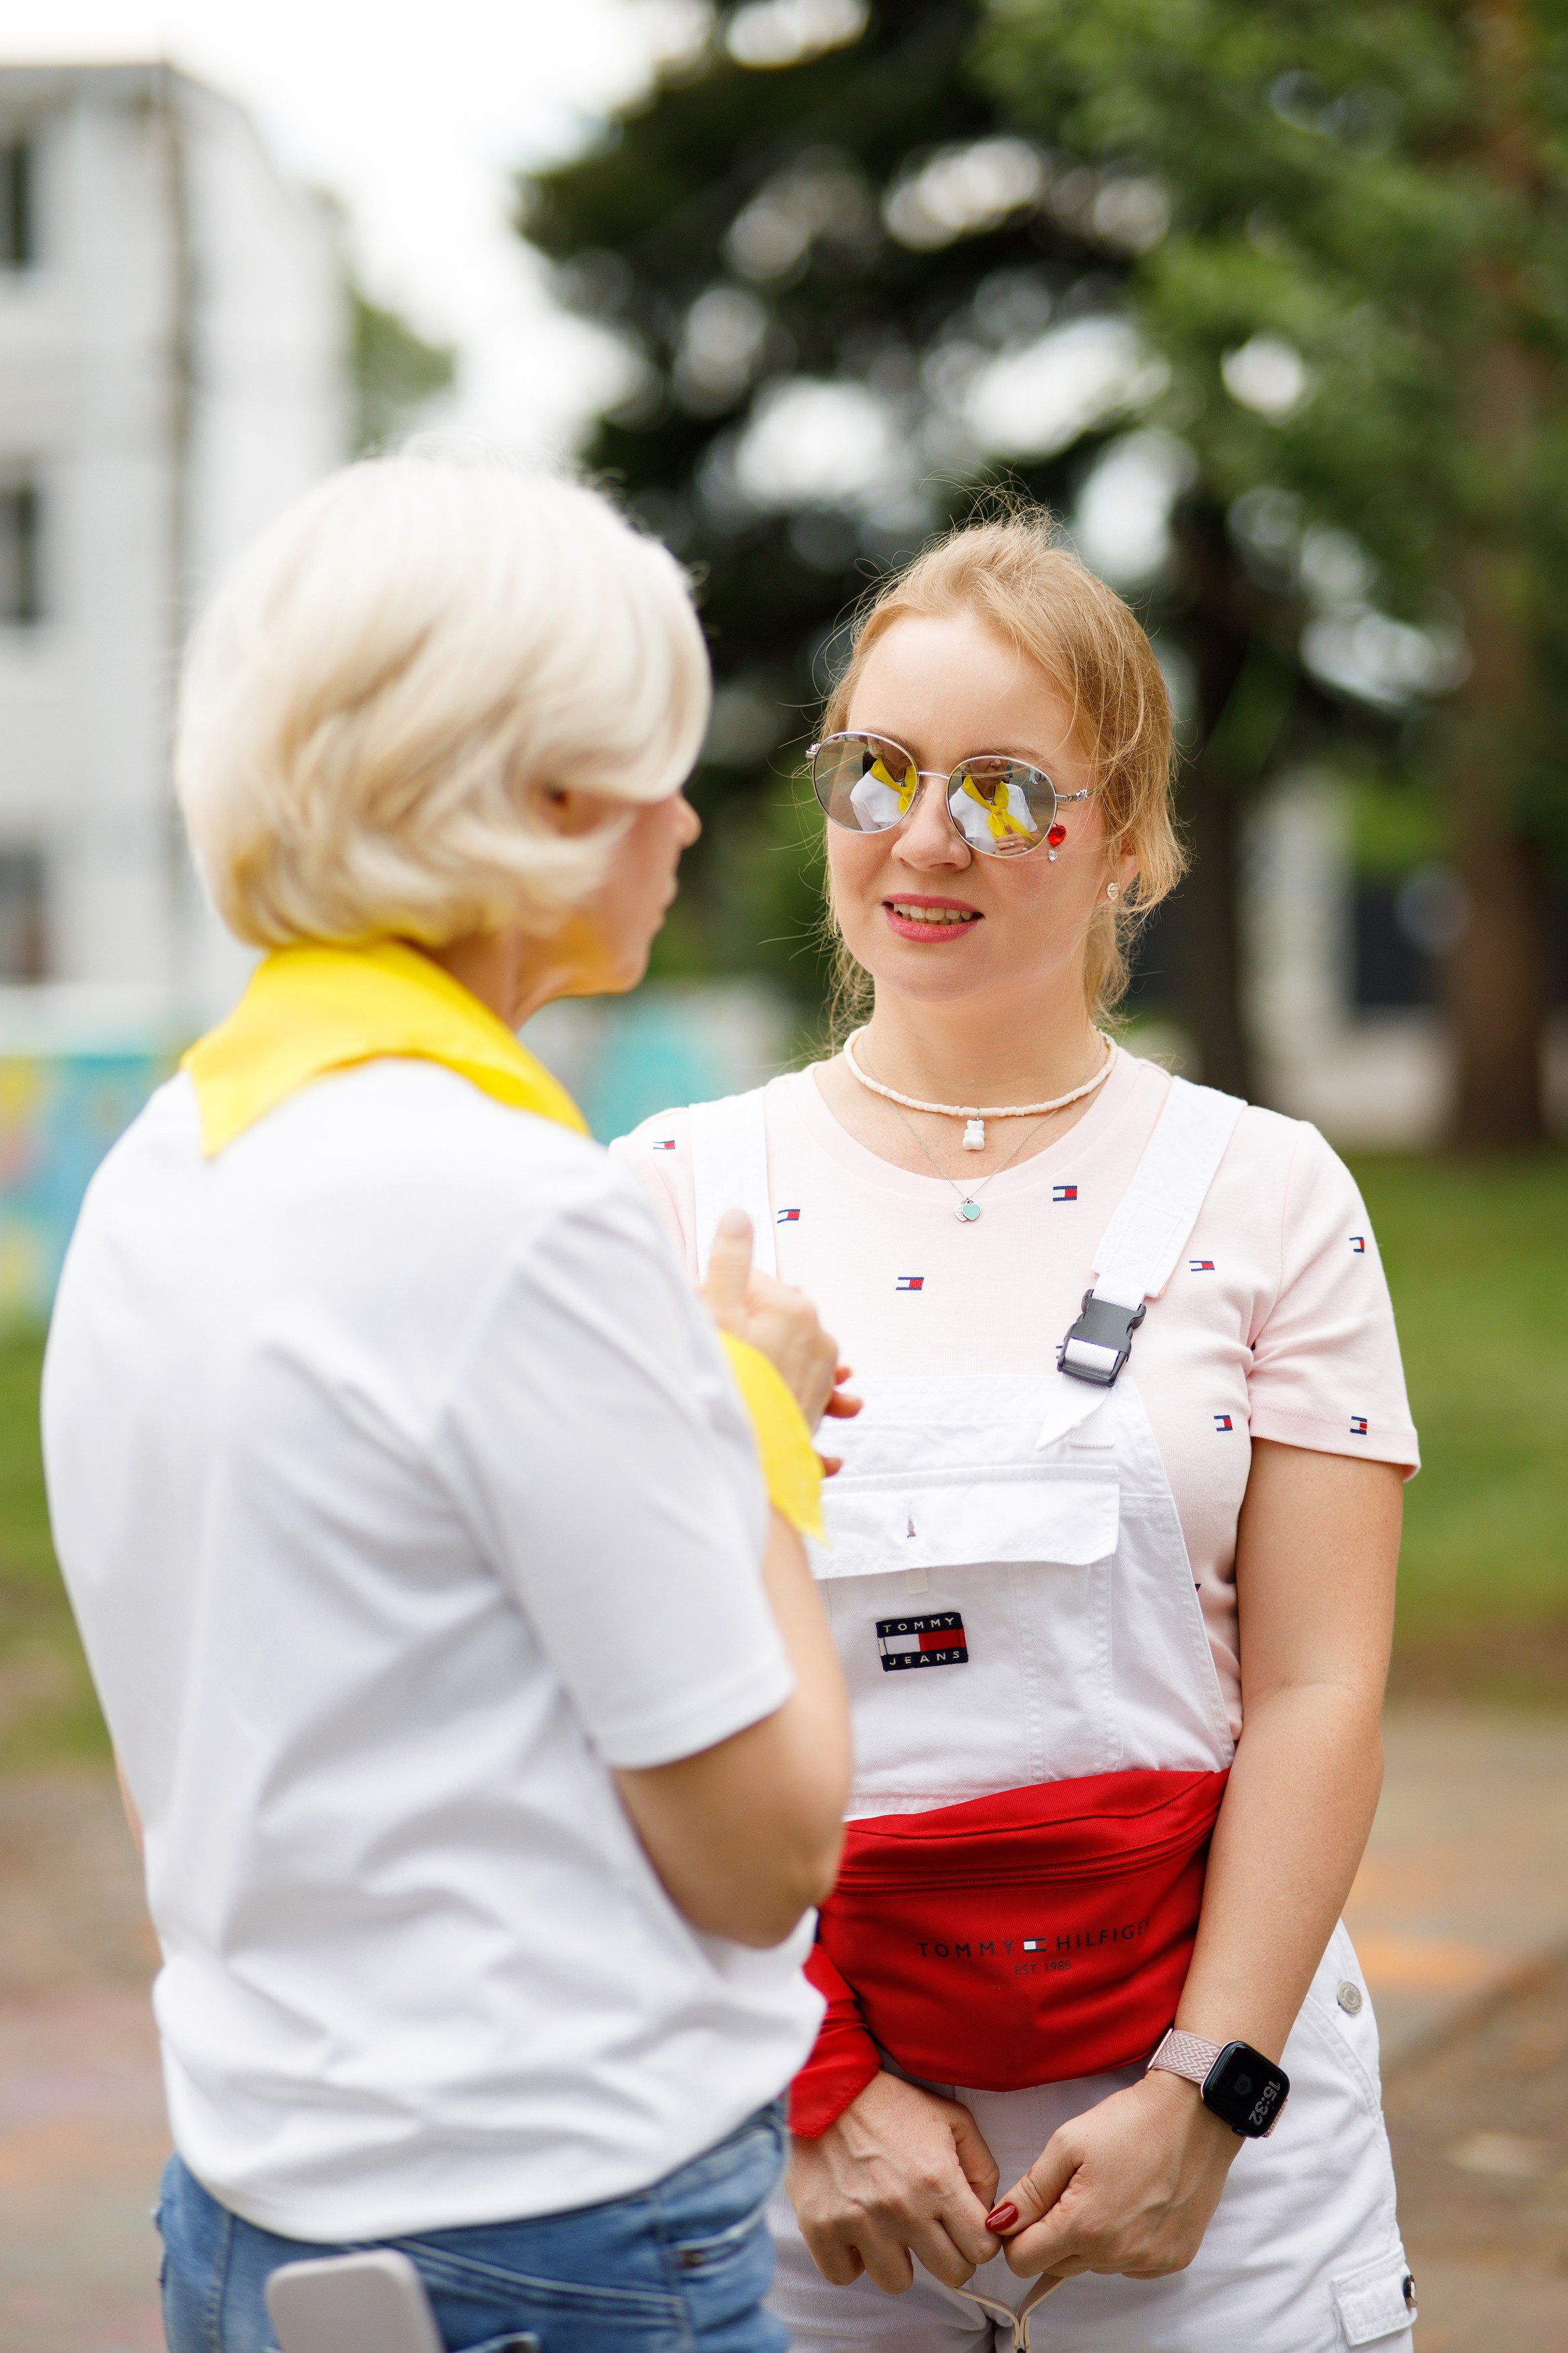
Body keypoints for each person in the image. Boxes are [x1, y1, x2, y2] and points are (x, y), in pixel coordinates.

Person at [41, 456, 855, 2353]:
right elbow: (763, 1855)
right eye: (661, 759)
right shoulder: (514, 1211)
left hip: (253, 2210)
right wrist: (763, 1433)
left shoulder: (166, 1165)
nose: (683, 818)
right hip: (557, 2237)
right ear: (551, 796)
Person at [614, 512, 1421, 2352]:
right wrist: (814, 2078)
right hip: (807, 2178)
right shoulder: (672, 1198)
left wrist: (1206, 2098)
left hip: (1227, 2180)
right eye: (878, 771)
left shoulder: (1271, 1190)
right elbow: (614, 1684)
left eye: (1003, 790)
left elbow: (1318, 1689)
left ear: (1130, 837)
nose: (919, 837)